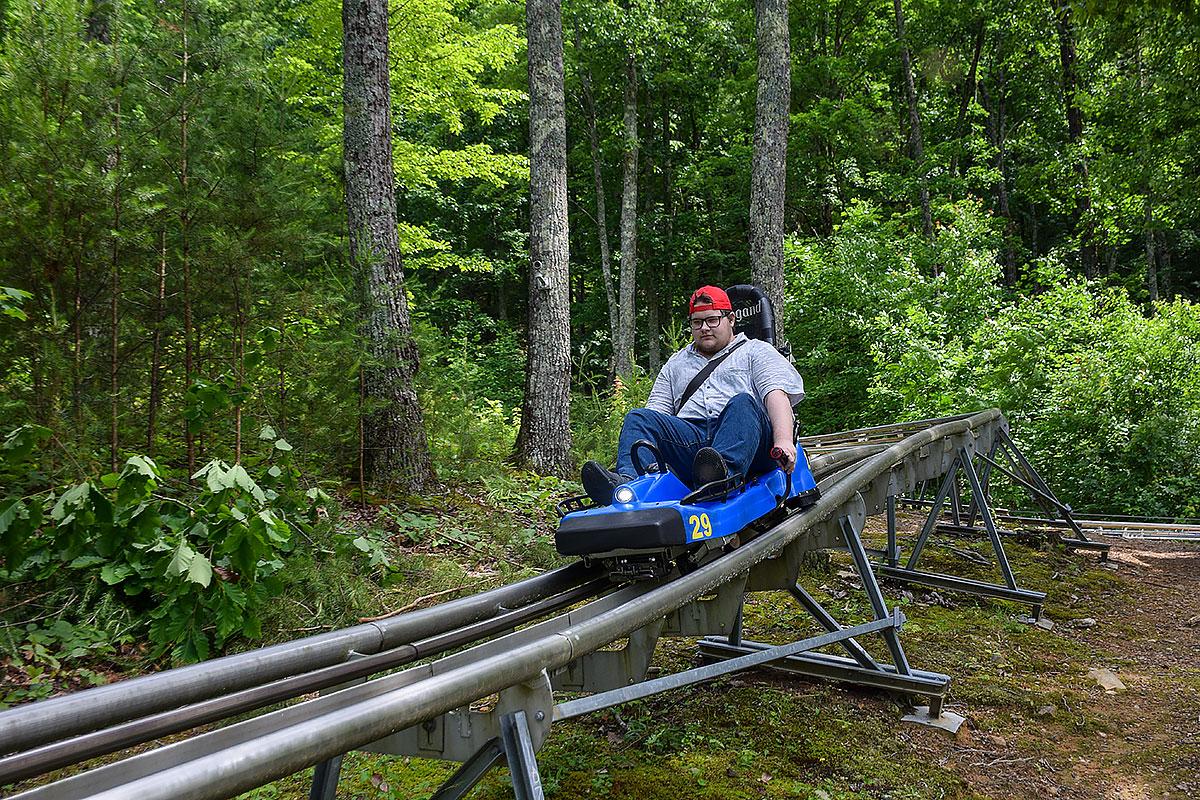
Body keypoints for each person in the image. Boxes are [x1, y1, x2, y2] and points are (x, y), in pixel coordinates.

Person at [581, 285, 805, 506]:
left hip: (745, 436)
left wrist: (784, 441)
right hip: (694, 442)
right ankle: (629, 483)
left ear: (731, 320)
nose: (705, 328)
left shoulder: (755, 351)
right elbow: (656, 413)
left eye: (712, 320)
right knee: (639, 417)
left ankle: (720, 478)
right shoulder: (676, 364)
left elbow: (775, 395)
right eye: (697, 322)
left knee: (743, 402)